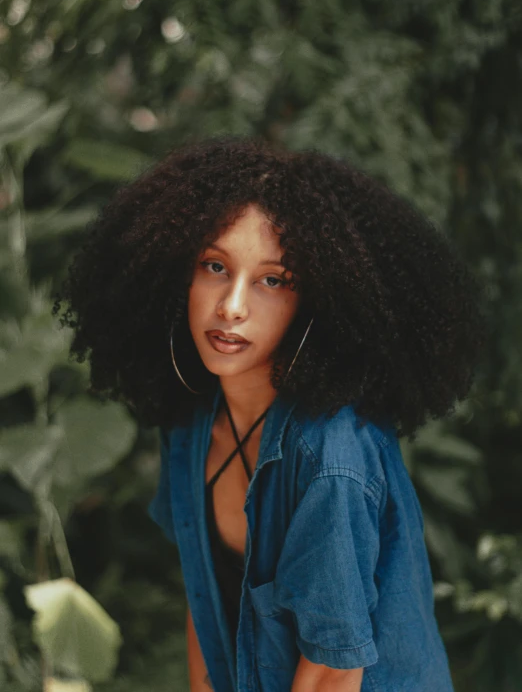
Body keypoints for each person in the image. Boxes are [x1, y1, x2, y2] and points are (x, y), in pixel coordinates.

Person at [53, 135, 488, 692]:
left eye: (272, 280)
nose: (231, 306)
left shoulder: (332, 457)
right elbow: (204, 597)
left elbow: (333, 669)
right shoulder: (192, 424)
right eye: (214, 265)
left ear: (317, 300)